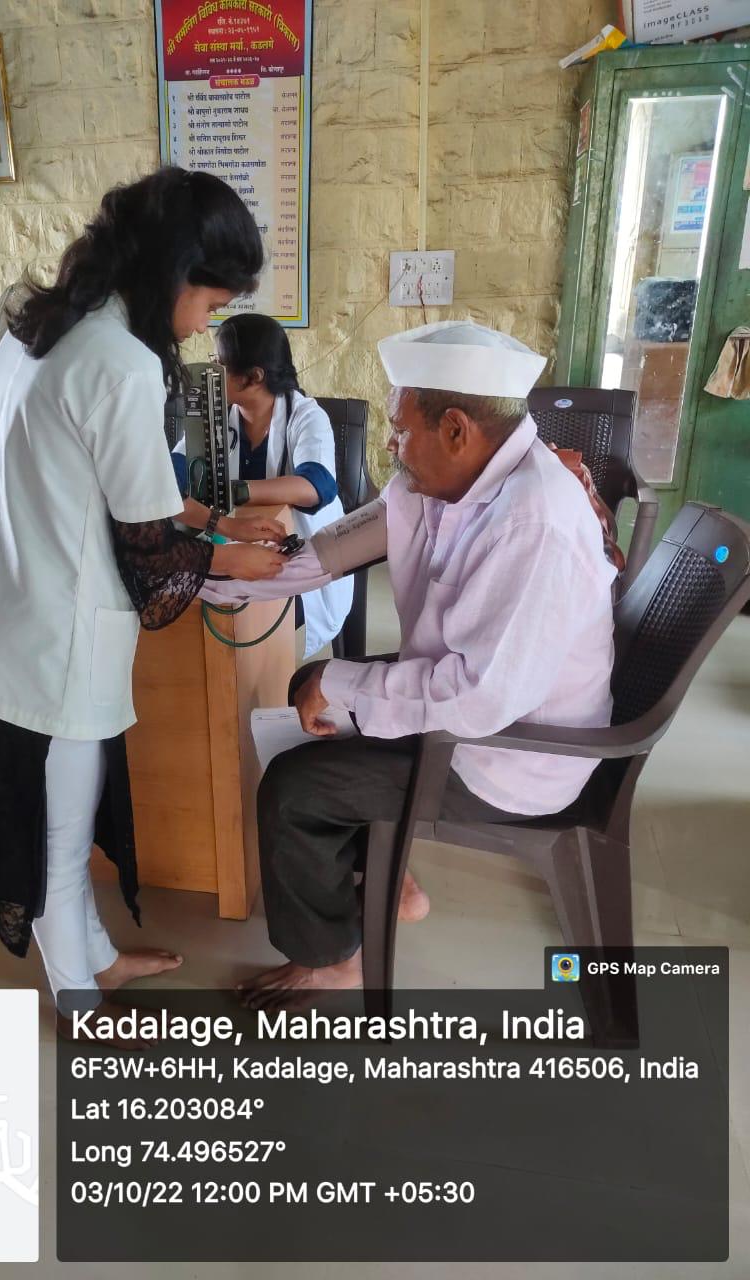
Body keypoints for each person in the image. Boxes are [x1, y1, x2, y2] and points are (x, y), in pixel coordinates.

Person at [0, 168, 285, 1025]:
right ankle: (82, 1004)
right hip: (56, 638)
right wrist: (229, 562)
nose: (205, 327)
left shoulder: (40, 324)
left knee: (67, 810)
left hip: (15, 613)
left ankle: (94, 957)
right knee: (58, 839)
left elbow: (123, 487)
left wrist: (218, 524)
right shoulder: (122, 362)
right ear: (174, 273)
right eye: (211, 304)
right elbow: (150, 550)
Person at [203, 321, 617, 1008]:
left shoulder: (533, 520)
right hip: (473, 705)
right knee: (311, 703)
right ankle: (387, 880)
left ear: (456, 429)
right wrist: (217, 578)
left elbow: (479, 699)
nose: (390, 447)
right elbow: (334, 549)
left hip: (510, 753)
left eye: (400, 430)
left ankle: (332, 959)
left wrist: (339, 679)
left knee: (295, 787)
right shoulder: (448, 481)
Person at [173, 313, 353, 657]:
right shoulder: (215, 416)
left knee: (248, 625)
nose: (212, 370)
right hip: (231, 543)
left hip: (298, 554)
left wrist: (231, 490)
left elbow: (317, 486)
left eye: (219, 362)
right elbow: (175, 471)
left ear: (254, 376)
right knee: (189, 609)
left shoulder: (306, 416)